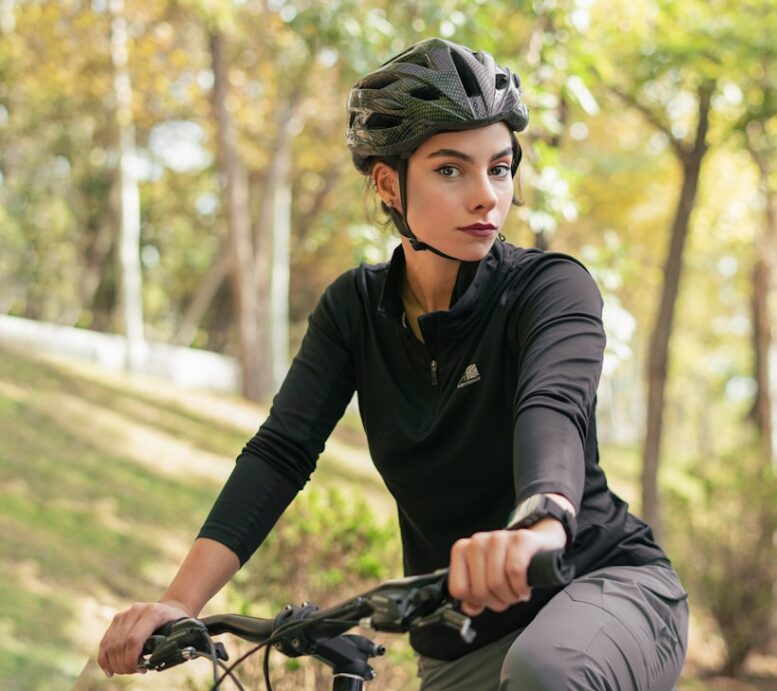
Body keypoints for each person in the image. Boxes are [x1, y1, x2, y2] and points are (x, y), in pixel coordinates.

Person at [97, 37, 688, 690]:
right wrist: (179, 603)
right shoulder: (352, 309)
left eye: (499, 168)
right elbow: (281, 451)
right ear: (388, 184)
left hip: (598, 586)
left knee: (544, 670)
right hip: (460, 635)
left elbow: (552, 406)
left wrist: (540, 524)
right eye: (450, 170)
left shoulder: (549, 289)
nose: (487, 196)